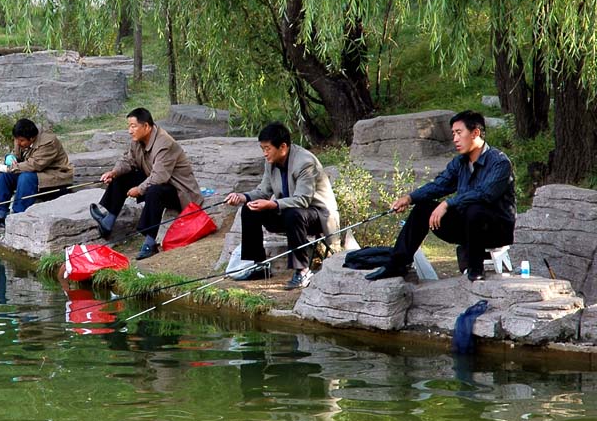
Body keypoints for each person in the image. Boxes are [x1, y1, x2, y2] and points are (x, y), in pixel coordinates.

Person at [366, 110, 515, 282]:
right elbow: (439, 185)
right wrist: (410, 198)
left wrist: (447, 204)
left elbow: (485, 194)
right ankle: (397, 264)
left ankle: (476, 268)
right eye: (453, 134)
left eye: (459, 133)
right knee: (423, 209)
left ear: (475, 133)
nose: (455, 139)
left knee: (475, 208)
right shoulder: (459, 163)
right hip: (466, 226)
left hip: (495, 230)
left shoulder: (499, 162)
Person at [226, 122, 340, 290]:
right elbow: (263, 190)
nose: (265, 153)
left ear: (283, 147)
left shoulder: (305, 162)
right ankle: (257, 265)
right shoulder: (271, 162)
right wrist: (242, 197)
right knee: (249, 209)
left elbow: (303, 200)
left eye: (267, 148)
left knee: (293, 214)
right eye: (262, 149)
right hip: (287, 211)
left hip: (317, 214)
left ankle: (302, 270)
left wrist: (272, 204)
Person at [89, 107, 202, 260]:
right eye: (129, 126)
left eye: (133, 126)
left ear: (146, 126)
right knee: (123, 176)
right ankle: (108, 221)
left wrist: (139, 189)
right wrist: (113, 172)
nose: (130, 130)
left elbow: (159, 177)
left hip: (180, 192)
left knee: (154, 191)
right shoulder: (138, 141)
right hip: (158, 180)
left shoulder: (165, 144)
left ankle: (150, 242)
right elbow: (128, 161)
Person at [0, 119, 74, 227]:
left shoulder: (48, 142)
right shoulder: (21, 138)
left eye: (21, 141)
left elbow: (34, 165)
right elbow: (17, 156)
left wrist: (8, 168)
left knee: (25, 177)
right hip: (35, 174)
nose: (18, 143)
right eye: (17, 140)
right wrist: (10, 158)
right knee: (5, 176)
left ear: (32, 138)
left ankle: (18, 214)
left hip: (55, 175)